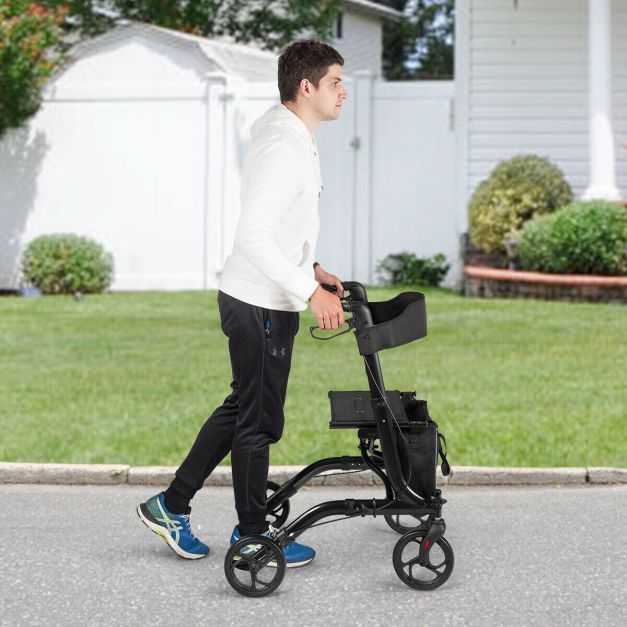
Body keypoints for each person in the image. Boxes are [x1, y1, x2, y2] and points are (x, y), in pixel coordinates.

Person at [137, 39, 349, 567]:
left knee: (242, 410)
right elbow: (253, 233)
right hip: (259, 304)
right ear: (306, 87)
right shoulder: (283, 145)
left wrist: (312, 269)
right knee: (257, 423)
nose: (343, 92)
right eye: (335, 82)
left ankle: (170, 505)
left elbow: (282, 226)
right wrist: (309, 291)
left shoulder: (294, 137)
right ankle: (252, 535)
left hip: (262, 297)